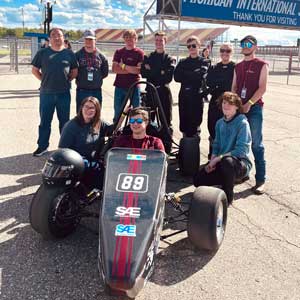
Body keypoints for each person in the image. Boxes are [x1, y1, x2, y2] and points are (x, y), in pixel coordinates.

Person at [194, 92, 252, 205]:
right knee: (197, 180)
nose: (226, 106)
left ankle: (228, 197)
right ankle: (227, 179)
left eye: (230, 103)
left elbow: (241, 151)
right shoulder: (219, 123)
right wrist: (212, 161)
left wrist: (219, 158)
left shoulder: (242, 123)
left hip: (240, 164)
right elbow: (216, 145)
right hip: (222, 162)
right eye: (224, 103)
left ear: (236, 106)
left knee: (227, 162)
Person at [59, 97, 126, 188]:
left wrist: (124, 114)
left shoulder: (98, 123)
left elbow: (113, 129)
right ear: (81, 108)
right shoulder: (71, 126)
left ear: (96, 110)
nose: (88, 110)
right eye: (86, 107)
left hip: (95, 162)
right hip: (77, 164)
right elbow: (62, 150)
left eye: (92, 108)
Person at [31, 27, 78, 157]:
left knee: (64, 122)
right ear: (49, 39)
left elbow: (74, 71)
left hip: (64, 93)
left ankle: (64, 146)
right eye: (54, 35)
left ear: (63, 38)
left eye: (59, 35)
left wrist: (68, 80)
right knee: (45, 121)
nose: (57, 38)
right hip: (46, 93)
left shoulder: (69, 54)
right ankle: (42, 146)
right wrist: (44, 80)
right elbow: (35, 70)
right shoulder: (42, 53)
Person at [231, 35, 268, 194]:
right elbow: (233, 88)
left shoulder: (262, 65)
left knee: (256, 145)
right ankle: (241, 173)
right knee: (238, 143)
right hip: (239, 109)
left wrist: (249, 104)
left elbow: (262, 88)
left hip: (254, 110)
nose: (245, 46)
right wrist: (237, 105)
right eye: (243, 44)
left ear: (255, 46)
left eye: (248, 44)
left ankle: (260, 180)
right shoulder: (237, 66)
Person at [174, 36, 210, 137]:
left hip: (196, 97)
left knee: (195, 126)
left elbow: (200, 75)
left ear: (199, 46)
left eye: (194, 45)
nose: (191, 48)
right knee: (184, 126)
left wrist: (185, 74)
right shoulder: (182, 62)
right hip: (184, 96)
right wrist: (193, 73)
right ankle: (185, 149)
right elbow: (176, 77)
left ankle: (193, 150)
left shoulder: (204, 61)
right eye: (189, 46)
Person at [141, 31, 175, 129]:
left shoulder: (169, 59)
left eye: (161, 40)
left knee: (166, 120)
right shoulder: (148, 57)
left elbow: (168, 78)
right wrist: (161, 71)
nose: (159, 42)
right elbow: (143, 73)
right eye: (157, 40)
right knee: (148, 121)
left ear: (165, 42)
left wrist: (151, 69)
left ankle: (166, 142)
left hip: (163, 92)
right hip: (150, 92)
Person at [207, 43, 235, 157]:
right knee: (213, 128)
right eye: (222, 50)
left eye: (227, 51)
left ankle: (225, 157)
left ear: (231, 53)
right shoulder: (214, 67)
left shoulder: (235, 68)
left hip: (229, 103)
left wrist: (218, 84)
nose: (225, 53)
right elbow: (209, 82)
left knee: (228, 131)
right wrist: (220, 85)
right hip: (215, 103)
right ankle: (212, 156)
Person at [112, 29, 144, 121]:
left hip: (134, 86)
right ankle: (116, 131)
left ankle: (136, 130)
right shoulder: (119, 52)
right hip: (120, 86)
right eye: (126, 38)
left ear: (135, 39)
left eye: (131, 38)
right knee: (118, 111)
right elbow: (114, 69)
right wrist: (131, 69)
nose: (129, 41)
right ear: (124, 39)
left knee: (136, 111)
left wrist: (123, 65)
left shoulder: (139, 53)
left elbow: (138, 71)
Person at [75, 29, 109, 112]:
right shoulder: (77, 55)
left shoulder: (101, 56)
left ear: (95, 40)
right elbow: (73, 71)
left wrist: (96, 79)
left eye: (90, 39)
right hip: (82, 90)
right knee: (81, 114)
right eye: (86, 39)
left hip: (96, 91)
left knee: (95, 115)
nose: (88, 41)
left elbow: (104, 73)